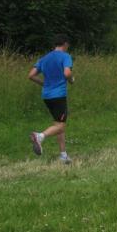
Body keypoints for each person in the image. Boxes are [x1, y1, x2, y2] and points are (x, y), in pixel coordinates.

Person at [28, 34, 75, 163]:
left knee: (58, 124)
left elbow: (31, 75)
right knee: (61, 126)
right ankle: (40, 136)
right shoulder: (65, 56)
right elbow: (67, 73)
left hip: (47, 96)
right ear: (65, 44)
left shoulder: (44, 58)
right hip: (58, 95)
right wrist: (71, 80)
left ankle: (63, 156)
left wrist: (44, 84)